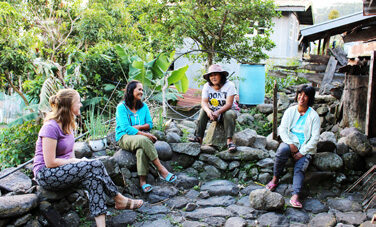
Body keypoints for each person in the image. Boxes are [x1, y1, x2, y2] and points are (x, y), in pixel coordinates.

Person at [33, 88, 143, 227]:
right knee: (95, 164)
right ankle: (118, 198)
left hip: (64, 171)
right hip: (46, 174)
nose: (81, 104)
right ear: (68, 105)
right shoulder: (50, 127)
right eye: (78, 102)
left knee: (93, 180)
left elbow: (69, 155)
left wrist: (76, 163)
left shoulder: (69, 126)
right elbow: (50, 162)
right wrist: (76, 162)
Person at [116, 80, 176, 193]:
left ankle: (143, 181)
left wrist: (136, 127)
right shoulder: (121, 107)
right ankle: (161, 169)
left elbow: (150, 123)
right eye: (139, 89)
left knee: (141, 150)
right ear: (131, 91)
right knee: (144, 140)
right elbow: (126, 128)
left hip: (138, 138)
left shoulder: (144, 107)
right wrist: (144, 133)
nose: (142, 92)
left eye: (142, 90)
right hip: (124, 137)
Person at [266, 85, 320, 208]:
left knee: (300, 167)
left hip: (306, 147)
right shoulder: (290, 111)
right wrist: (290, 144)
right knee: (282, 150)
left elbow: (314, 138)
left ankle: (295, 196)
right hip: (291, 142)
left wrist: (302, 152)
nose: (302, 97)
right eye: (300, 94)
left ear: (310, 98)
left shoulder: (314, 116)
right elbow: (283, 130)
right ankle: (275, 179)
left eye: (305, 95)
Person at [189, 64, 239, 152]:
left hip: (228, 111)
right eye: (211, 75)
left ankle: (229, 141)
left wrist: (218, 112)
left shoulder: (230, 85)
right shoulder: (207, 86)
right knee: (203, 111)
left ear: (221, 75)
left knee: (229, 113)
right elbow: (204, 102)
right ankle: (199, 137)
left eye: (216, 74)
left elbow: (229, 104)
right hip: (213, 111)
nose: (213, 77)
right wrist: (209, 111)